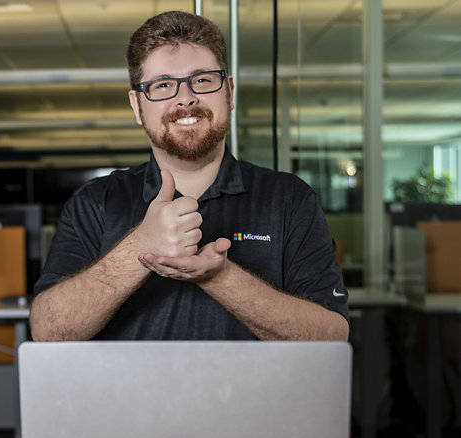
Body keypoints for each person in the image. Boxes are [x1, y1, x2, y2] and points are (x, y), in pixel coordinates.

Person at [29, 11, 349, 342]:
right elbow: (48, 330)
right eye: (163, 85)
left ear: (229, 92)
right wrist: (141, 245)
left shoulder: (289, 200)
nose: (185, 98)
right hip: (130, 396)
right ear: (138, 106)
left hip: (254, 396)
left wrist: (220, 278)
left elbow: (331, 335)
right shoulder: (96, 203)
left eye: (202, 80)